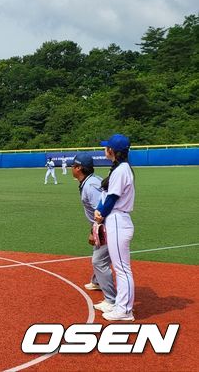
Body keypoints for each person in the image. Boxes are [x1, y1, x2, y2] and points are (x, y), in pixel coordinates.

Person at [94, 134, 136, 321]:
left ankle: (125, 311)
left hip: (118, 219)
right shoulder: (120, 168)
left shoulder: (121, 170)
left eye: (107, 147)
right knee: (121, 267)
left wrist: (101, 213)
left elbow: (112, 198)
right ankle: (120, 305)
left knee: (122, 268)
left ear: (113, 151)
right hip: (117, 220)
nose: (105, 149)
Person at [71, 152, 116, 313]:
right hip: (104, 224)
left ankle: (111, 300)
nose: (71, 168)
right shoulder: (90, 181)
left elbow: (102, 209)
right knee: (98, 254)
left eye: (73, 166)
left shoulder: (90, 186)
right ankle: (97, 281)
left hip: (107, 225)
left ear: (79, 168)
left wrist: (94, 231)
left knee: (99, 261)